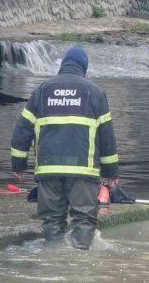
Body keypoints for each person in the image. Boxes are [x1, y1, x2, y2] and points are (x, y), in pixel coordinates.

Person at [10, 46, 119, 249]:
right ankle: (79, 261)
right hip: (83, 171)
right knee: (84, 219)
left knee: (52, 219)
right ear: (83, 67)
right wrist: (111, 172)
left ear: (63, 66)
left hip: (48, 170)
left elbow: (22, 131)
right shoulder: (94, 92)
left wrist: (18, 165)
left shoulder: (41, 91)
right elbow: (107, 137)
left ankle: (52, 257)